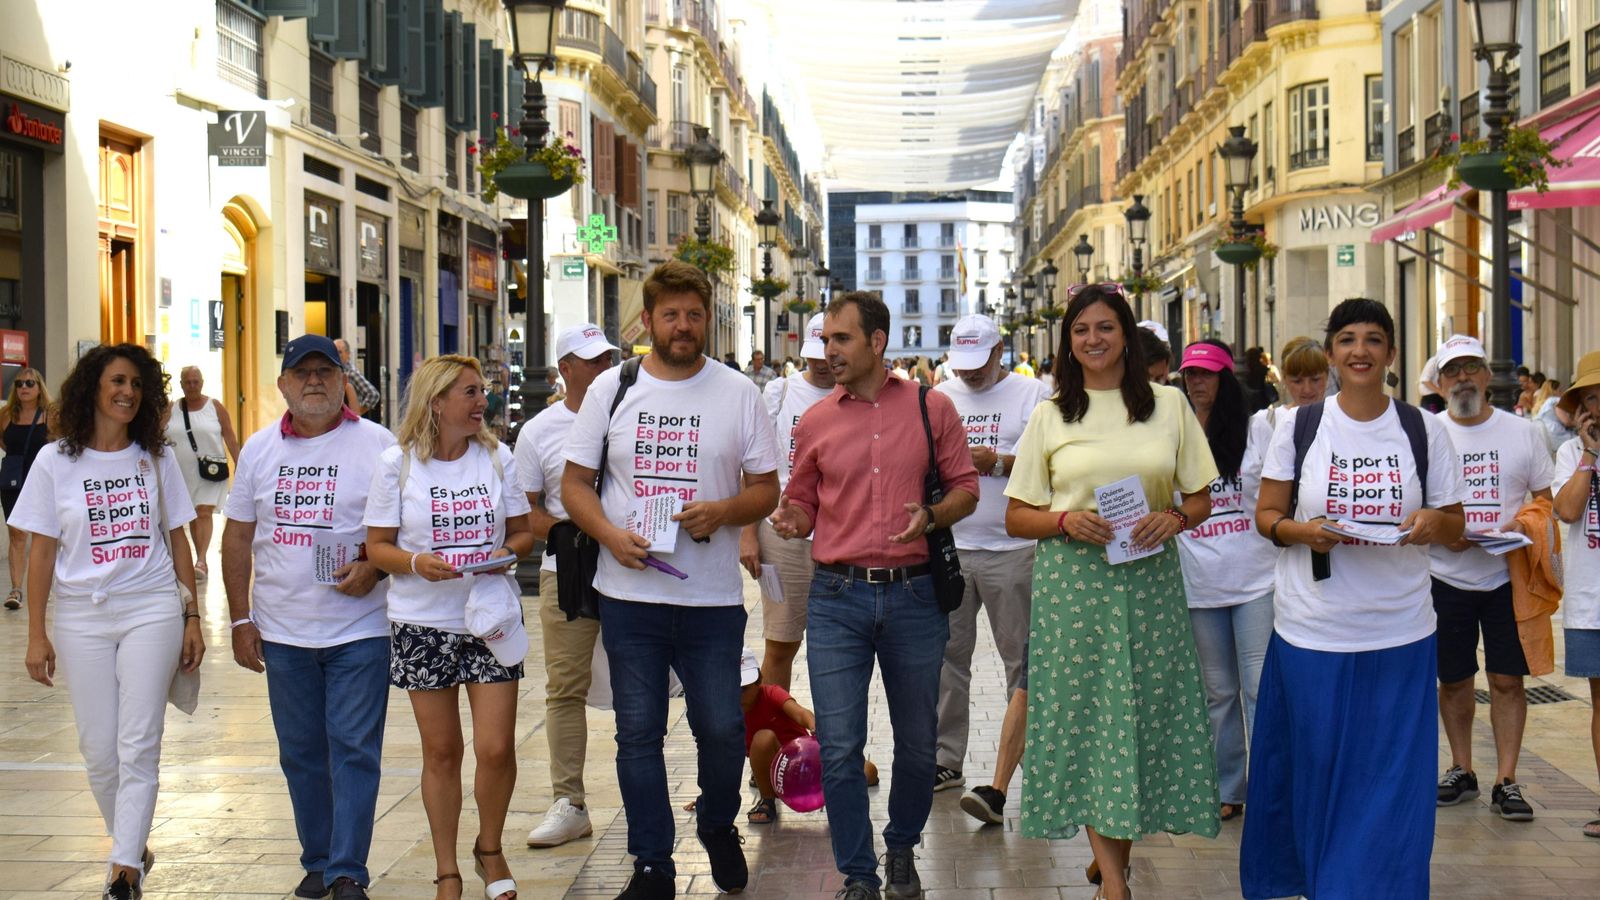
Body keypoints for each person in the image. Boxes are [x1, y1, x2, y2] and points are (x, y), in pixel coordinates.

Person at [561, 260, 780, 900]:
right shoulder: (613, 388)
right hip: (630, 597)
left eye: (693, 315)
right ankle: (652, 863)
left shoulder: (738, 392)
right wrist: (610, 535)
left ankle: (716, 822)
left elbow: (766, 490)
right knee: (638, 732)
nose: (683, 326)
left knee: (721, 728)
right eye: (671, 315)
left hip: (711, 599)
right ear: (648, 321)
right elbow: (574, 484)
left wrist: (724, 511)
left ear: (706, 319)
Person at [1242, 299, 1466, 899]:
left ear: (1391, 352)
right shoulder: (1299, 426)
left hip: (1402, 632)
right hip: (1313, 633)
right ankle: (1325, 885)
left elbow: (1456, 524)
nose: (1360, 350)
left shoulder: (1424, 429)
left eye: (1372, 339)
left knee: (1391, 784)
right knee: (1318, 775)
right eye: (1346, 339)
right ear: (1331, 352)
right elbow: (1266, 515)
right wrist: (1303, 532)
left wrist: (1431, 522)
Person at [1002, 285, 1219, 900]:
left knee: (1139, 717)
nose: (1093, 339)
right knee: (1086, 719)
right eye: (1081, 330)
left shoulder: (1168, 405)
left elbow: (1201, 497)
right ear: (1067, 342)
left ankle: (1112, 872)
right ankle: (1117, 885)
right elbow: (1017, 517)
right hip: (1074, 588)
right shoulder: (1051, 415)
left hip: (1150, 583)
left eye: (1104, 327)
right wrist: (1064, 520)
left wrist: (1173, 518)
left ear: (1126, 334)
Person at [772, 291, 980, 899]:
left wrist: (932, 516)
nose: (828, 351)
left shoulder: (931, 407)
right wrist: (791, 518)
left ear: (877, 341)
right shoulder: (815, 420)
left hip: (915, 597)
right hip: (836, 598)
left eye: (841, 339)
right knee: (840, 747)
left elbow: (966, 489)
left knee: (917, 743)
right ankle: (859, 873)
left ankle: (902, 848)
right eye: (825, 339)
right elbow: (802, 500)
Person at [17, 344, 202, 900]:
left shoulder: (156, 457)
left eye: (138, 385)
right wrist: (36, 633)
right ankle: (133, 842)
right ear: (92, 387)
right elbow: (41, 552)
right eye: (118, 381)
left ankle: (123, 870)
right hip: (81, 614)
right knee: (99, 750)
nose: (128, 392)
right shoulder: (55, 461)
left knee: (138, 741)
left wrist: (192, 616)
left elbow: (178, 539)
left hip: (151, 606)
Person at [221, 335, 396, 900]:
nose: (314, 380)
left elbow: (404, 528)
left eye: (326, 370)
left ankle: (347, 869)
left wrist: (374, 566)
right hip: (283, 631)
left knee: (353, 747)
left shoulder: (379, 446)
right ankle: (318, 859)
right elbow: (238, 538)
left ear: (345, 379)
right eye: (303, 372)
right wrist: (240, 620)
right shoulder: (258, 450)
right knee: (300, 752)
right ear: (283, 385)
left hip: (360, 628)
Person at [364, 354, 534, 900]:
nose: (483, 400)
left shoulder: (497, 457)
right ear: (436, 402)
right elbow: (377, 547)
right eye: (470, 392)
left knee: (496, 748)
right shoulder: (397, 464)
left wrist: (503, 554)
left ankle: (490, 848)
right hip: (422, 623)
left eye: (481, 391)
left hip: (490, 617)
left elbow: (523, 533)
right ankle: (447, 870)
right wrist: (416, 563)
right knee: (441, 752)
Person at [1425, 335, 1553, 821]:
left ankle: (1507, 779)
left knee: (1506, 679)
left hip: (1506, 576)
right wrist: (1445, 529)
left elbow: (1545, 502)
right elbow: (1411, 500)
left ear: (1486, 376)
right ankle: (1462, 768)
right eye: (1452, 370)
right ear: (1439, 382)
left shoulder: (1523, 432)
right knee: (1453, 679)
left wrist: (1519, 524)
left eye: (1470, 368)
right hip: (1444, 576)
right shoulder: (1427, 432)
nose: (1462, 378)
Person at [931, 315, 1048, 799]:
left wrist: (996, 461)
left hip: (1014, 550)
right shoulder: (941, 396)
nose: (970, 373)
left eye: (979, 363)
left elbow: (1051, 460)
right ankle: (946, 760)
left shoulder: (1033, 394)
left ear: (1000, 351)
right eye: (962, 364)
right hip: (954, 549)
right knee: (947, 658)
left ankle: (1035, 762)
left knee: (1022, 661)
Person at [515, 323, 618, 849]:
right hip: (568, 573)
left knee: (646, 681)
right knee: (565, 686)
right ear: (565, 370)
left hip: (633, 567)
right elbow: (523, 509)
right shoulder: (539, 431)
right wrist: (564, 532)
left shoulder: (630, 415)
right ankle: (569, 801)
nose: (603, 368)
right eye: (592, 360)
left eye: (607, 359)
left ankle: (647, 793)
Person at [1174, 340, 1276, 824]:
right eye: (1190, 374)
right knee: (1217, 693)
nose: (1197, 382)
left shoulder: (1257, 431)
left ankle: (1269, 789)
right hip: (1199, 583)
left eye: (1207, 374)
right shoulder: (1173, 434)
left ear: (1225, 379)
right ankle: (1227, 787)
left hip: (1255, 580)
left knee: (1258, 688)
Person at [741, 314, 835, 692]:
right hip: (782, 537)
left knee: (837, 650)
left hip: (841, 536)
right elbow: (755, 467)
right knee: (780, 643)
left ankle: (832, 728)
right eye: (814, 355)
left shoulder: (860, 395)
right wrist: (748, 534)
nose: (822, 364)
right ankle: (773, 726)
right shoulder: (780, 392)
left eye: (828, 355)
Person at [1551, 350, 1600, 839]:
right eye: (1592, 399)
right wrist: (1590, 455)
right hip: (1591, 602)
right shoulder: (1570, 455)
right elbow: (1566, 511)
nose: (1599, 407)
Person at [162, 366, 241, 580]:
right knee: (190, 515)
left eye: (195, 382)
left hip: (210, 471)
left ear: (202, 383)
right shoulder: (172, 409)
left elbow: (230, 437)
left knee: (204, 511)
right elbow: (158, 435)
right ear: (181, 385)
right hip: (180, 472)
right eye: (187, 382)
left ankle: (201, 560)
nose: (192, 386)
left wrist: (240, 465)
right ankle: (191, 558)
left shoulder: (214, 407)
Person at [1, 368, 55, 611]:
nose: (24, 387)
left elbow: (59, 441)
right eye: (19, 383)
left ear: (39, 387)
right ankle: (16, 589)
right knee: (17, 534)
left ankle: (44, 585)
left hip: (43, 481)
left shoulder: (50, 415)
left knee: (44, 535)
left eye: (29, 383)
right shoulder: (6, 415)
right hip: (13, 481)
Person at [1247, 337, 1329, 454]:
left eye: (1315, 380)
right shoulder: (1263, 423)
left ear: (1327, 376)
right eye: (1297, 381)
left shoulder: (1341, 419)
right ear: (1285, 378)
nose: (1307, 389)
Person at [335, 338, 383, 419]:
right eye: (334, 352)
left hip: (348, 422)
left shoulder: (351, 372)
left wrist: (356, 413)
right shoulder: (336, 372)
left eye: (340, 352)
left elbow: (373, 394)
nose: (337, 355)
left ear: (348, 354)